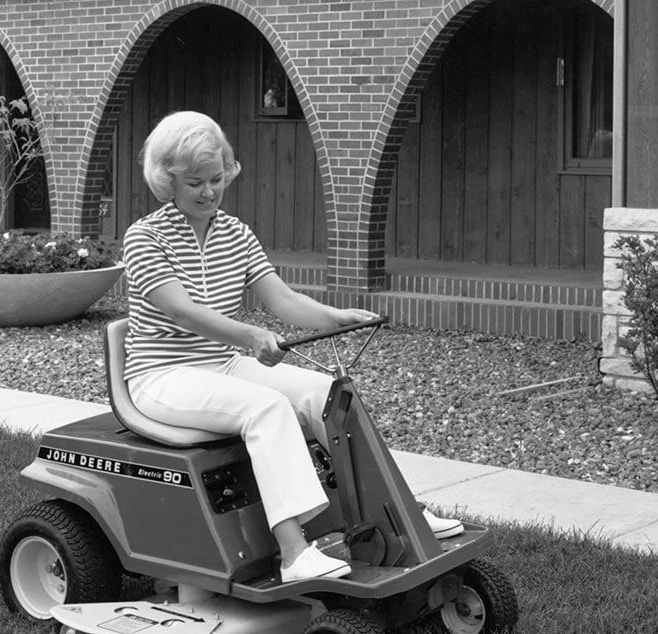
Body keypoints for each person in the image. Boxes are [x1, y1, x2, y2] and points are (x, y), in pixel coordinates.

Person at [122, 111, 462, 583]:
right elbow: (183, 312)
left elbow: (280, 297)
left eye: (217, 178)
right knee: (267, 408)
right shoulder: (144, 237)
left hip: (221, 364)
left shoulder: (235, 233)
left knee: (328, 396)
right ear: (167, 181)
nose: (209, 192)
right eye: (194, 182)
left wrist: (335, 316)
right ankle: (294, 553)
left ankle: (404, 512)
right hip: (161, 375)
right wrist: (251, 336)